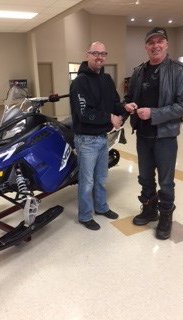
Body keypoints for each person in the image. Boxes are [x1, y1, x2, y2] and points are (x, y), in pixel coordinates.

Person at [124, 27, 183, 239]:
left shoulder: (177, 71)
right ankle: (149, 209)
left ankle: (165, 216)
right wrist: (127, 108)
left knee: (166, 180)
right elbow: (129, 98)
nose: (155, 46)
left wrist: (154, 113)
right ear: (146, 47)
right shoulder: (138, 71)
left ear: (166, 45)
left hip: (165, 136)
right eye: (151, 42)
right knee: (145, 177)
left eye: (159, 42)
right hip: (143, 135)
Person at [69, 41, 125, 230]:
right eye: (95, 53)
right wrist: (110, 118)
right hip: (86, 140)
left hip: (102, 137)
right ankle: (85, 216)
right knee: (87, 182)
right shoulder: (79, 83)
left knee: (101, 177)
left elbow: (115, 103)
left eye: (103, 53)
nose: (100, 57)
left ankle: (101, 207)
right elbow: (85, 113)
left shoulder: (107, 79)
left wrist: (124, 109)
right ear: (87, 55)